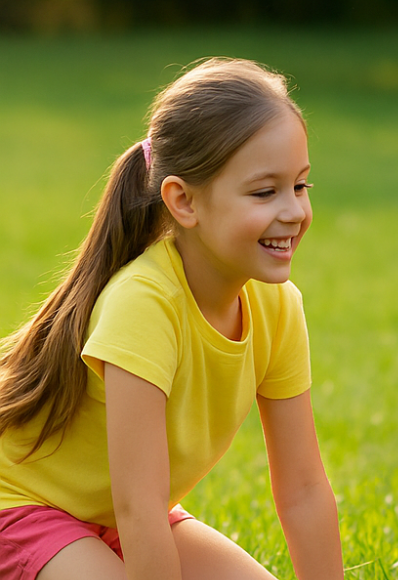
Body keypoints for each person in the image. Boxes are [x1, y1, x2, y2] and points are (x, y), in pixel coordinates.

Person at [0, 59, 342, 580]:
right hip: (22, 507)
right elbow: (140, 505)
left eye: (300, 186)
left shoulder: (279, 307)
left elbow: (304, 490)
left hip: (116, 515)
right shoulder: (144, 304)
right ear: (183, 201)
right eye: (264, 191)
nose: (293, 211)